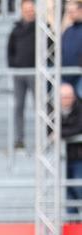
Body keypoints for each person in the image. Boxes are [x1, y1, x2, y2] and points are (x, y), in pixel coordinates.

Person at [8, 0, 36, 150]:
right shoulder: (16, 28)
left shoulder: (41, 27)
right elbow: (10, 49)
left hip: (35, 72)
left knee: (40, 106)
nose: (29, 12)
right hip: (19, 73)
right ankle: (19, 138)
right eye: (26, 9)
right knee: (19, 106)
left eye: (31, 9)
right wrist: (14, 64)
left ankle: (44, 136)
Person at [61, 82, 82, 213]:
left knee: (78, 186)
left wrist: (60, 134)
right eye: (64, 97)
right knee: (67, 191)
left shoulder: (80, 107)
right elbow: (47, 129)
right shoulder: (51, 108)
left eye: (69, 96)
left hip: (78, 156)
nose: (68, 100)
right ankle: (72, 223)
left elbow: (79, 128)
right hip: (60, 158)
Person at [63, 1, 82, 92]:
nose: (70, 15)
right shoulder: (68, 30)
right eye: (69, 12)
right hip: (67, 74)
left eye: (72, 11)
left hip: (79, 75)